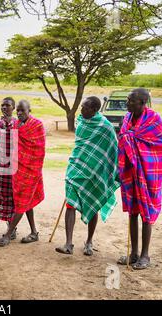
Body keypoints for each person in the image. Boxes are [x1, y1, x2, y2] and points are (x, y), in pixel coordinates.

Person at [55, 97, 119, 256]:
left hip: (94, 172)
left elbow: (112, 150)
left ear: (94, 110)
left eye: (84, 108)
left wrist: (108, 171)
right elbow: (81, 145)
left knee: (93, 203)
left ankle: (89, 241)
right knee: (70, 203)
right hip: (76, 167)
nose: (81, 110)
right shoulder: (81, 122)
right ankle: (68, 243)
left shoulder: (105, 127)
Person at [117, 88, 162, 270]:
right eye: (127, 100)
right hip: (131, 173)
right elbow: (122, 140)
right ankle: (133, 253)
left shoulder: (154, 120)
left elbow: (161, 146)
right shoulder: (126, 118)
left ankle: (145, 255)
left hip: (148, 174)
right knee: (132, 213)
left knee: (146, 213)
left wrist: (131, 137)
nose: (127, 103)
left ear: (142, 103)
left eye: (131, 101)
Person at [0, 100, 45, 246]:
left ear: (30, 110)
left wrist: (30, 165)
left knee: (23, 202)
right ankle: (34, 232)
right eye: (17, 111)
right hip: (18, 170)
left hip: (32, 170)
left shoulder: (37, 125)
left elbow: (39, 149)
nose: (19, 113)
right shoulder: (16, 125)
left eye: (22, 110)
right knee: (25, 201)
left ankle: (8, 234)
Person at [0, 97, 18, 239]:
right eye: (2, 105)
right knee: (3, 196)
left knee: (14, 197)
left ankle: (12, 227)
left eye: (7, 105)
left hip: (15, 165)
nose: (4, 107)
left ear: (13, 108)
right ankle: (10, 226)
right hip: (0, 165)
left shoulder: (18, 123)